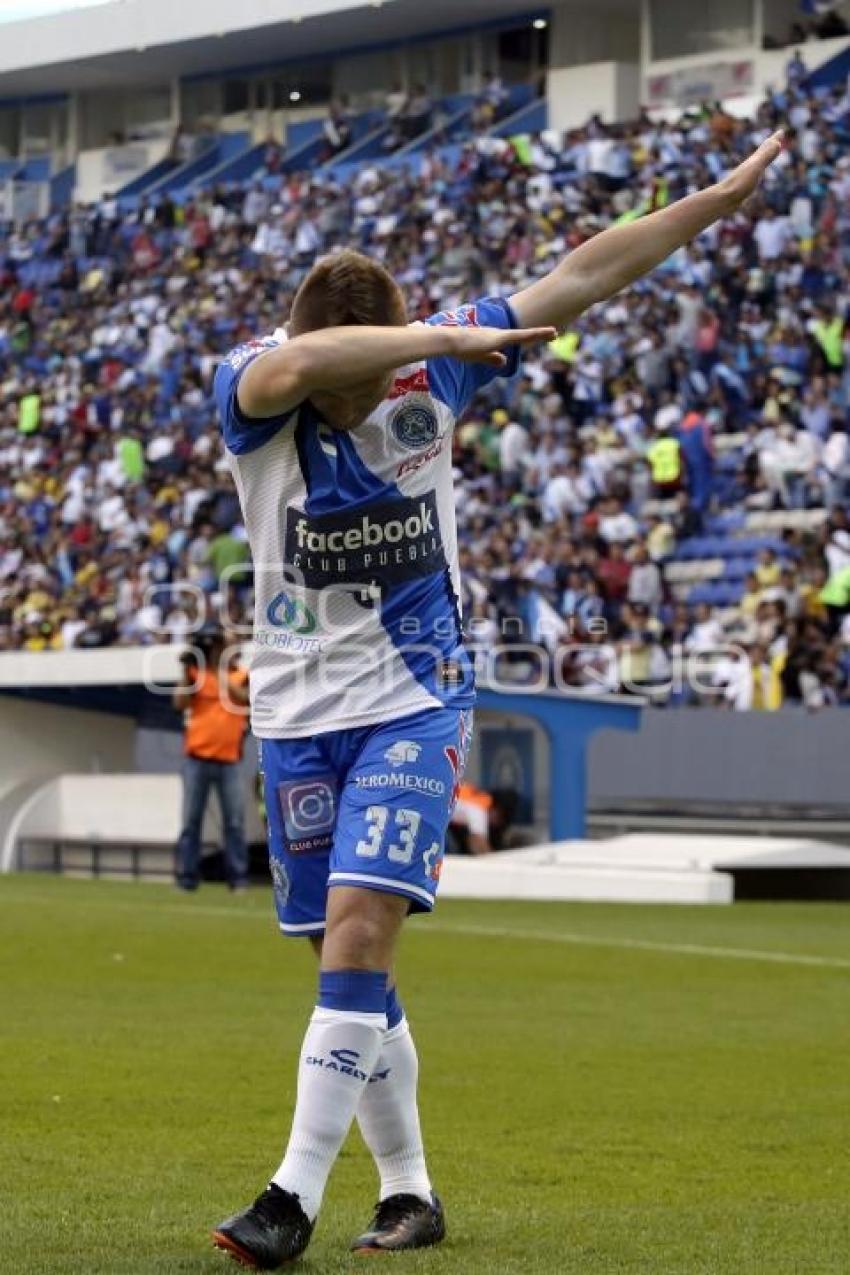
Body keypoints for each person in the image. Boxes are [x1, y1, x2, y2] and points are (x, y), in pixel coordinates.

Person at [209, 132, 784, 1268]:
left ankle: (289, 1196)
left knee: (363, 930)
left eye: (379, 375)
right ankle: (412, 1194)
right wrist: (440, 331)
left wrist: (707, 207)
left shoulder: (434, 374)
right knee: (348, 967)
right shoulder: (254, 381)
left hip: (416, 698)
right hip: (293, 712)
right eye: (351, 373)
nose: (368, 394)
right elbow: (291, 371)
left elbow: (583, 272)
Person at [173, 626, 250, 891]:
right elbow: (180, 703)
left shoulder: (240, 675)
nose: (219, 647)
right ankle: (187, 878)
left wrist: (218, 669)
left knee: (235, 823)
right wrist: (186, 670)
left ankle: (238, 878)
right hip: (197, 757)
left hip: (229, 759)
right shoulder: (196, 674)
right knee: (190, 822)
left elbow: (245, 699)